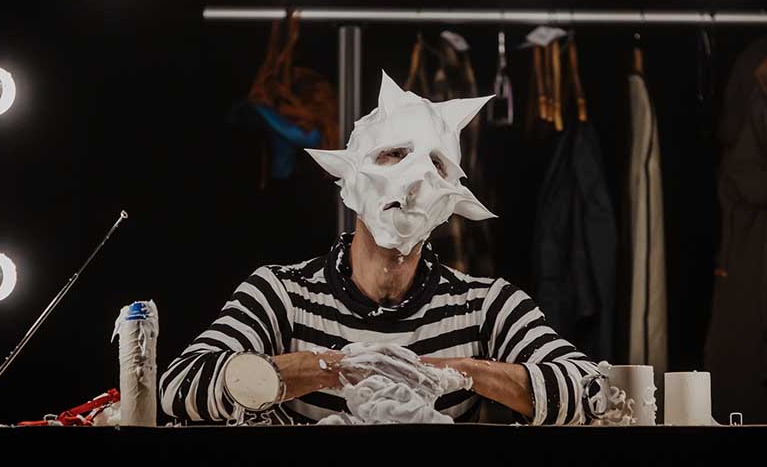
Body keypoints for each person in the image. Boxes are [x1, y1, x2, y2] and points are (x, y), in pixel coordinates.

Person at [159, 71, 599, 424]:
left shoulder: (487, 305)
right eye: (394, 153)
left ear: (452, 201)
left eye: (437, 164)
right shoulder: (281, 294)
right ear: (349, 179)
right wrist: (331, 367)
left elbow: (592, 392)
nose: (416, 178)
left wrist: (455, 373)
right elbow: (179, 387)